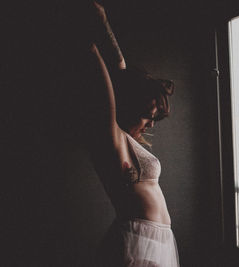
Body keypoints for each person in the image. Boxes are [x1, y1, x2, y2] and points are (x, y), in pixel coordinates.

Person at [87, 1, 179, 266]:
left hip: (154, 242)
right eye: (147, 116)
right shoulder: (112, 135)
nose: (151, 124)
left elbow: (121, 68)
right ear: (129, 107)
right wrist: (90, 44)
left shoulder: (126, 140)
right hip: (136, 242)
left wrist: (103, 24)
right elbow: (106, 82)